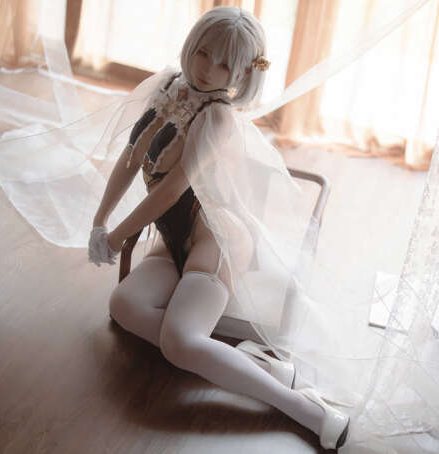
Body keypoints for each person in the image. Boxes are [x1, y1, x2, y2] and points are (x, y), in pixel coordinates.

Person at [87, 6, 350, 450]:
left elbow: (172, 190)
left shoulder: (216, 116)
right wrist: (100, 220)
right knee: (124, 305)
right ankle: (259, 367)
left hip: (216, 239)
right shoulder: (169, 85)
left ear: (244, 73)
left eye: (225, 64)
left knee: (179, 342)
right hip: (173, 239)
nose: (208, 69)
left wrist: (116, 238)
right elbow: (131, 158)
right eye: (203, 52)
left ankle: (306, 409)